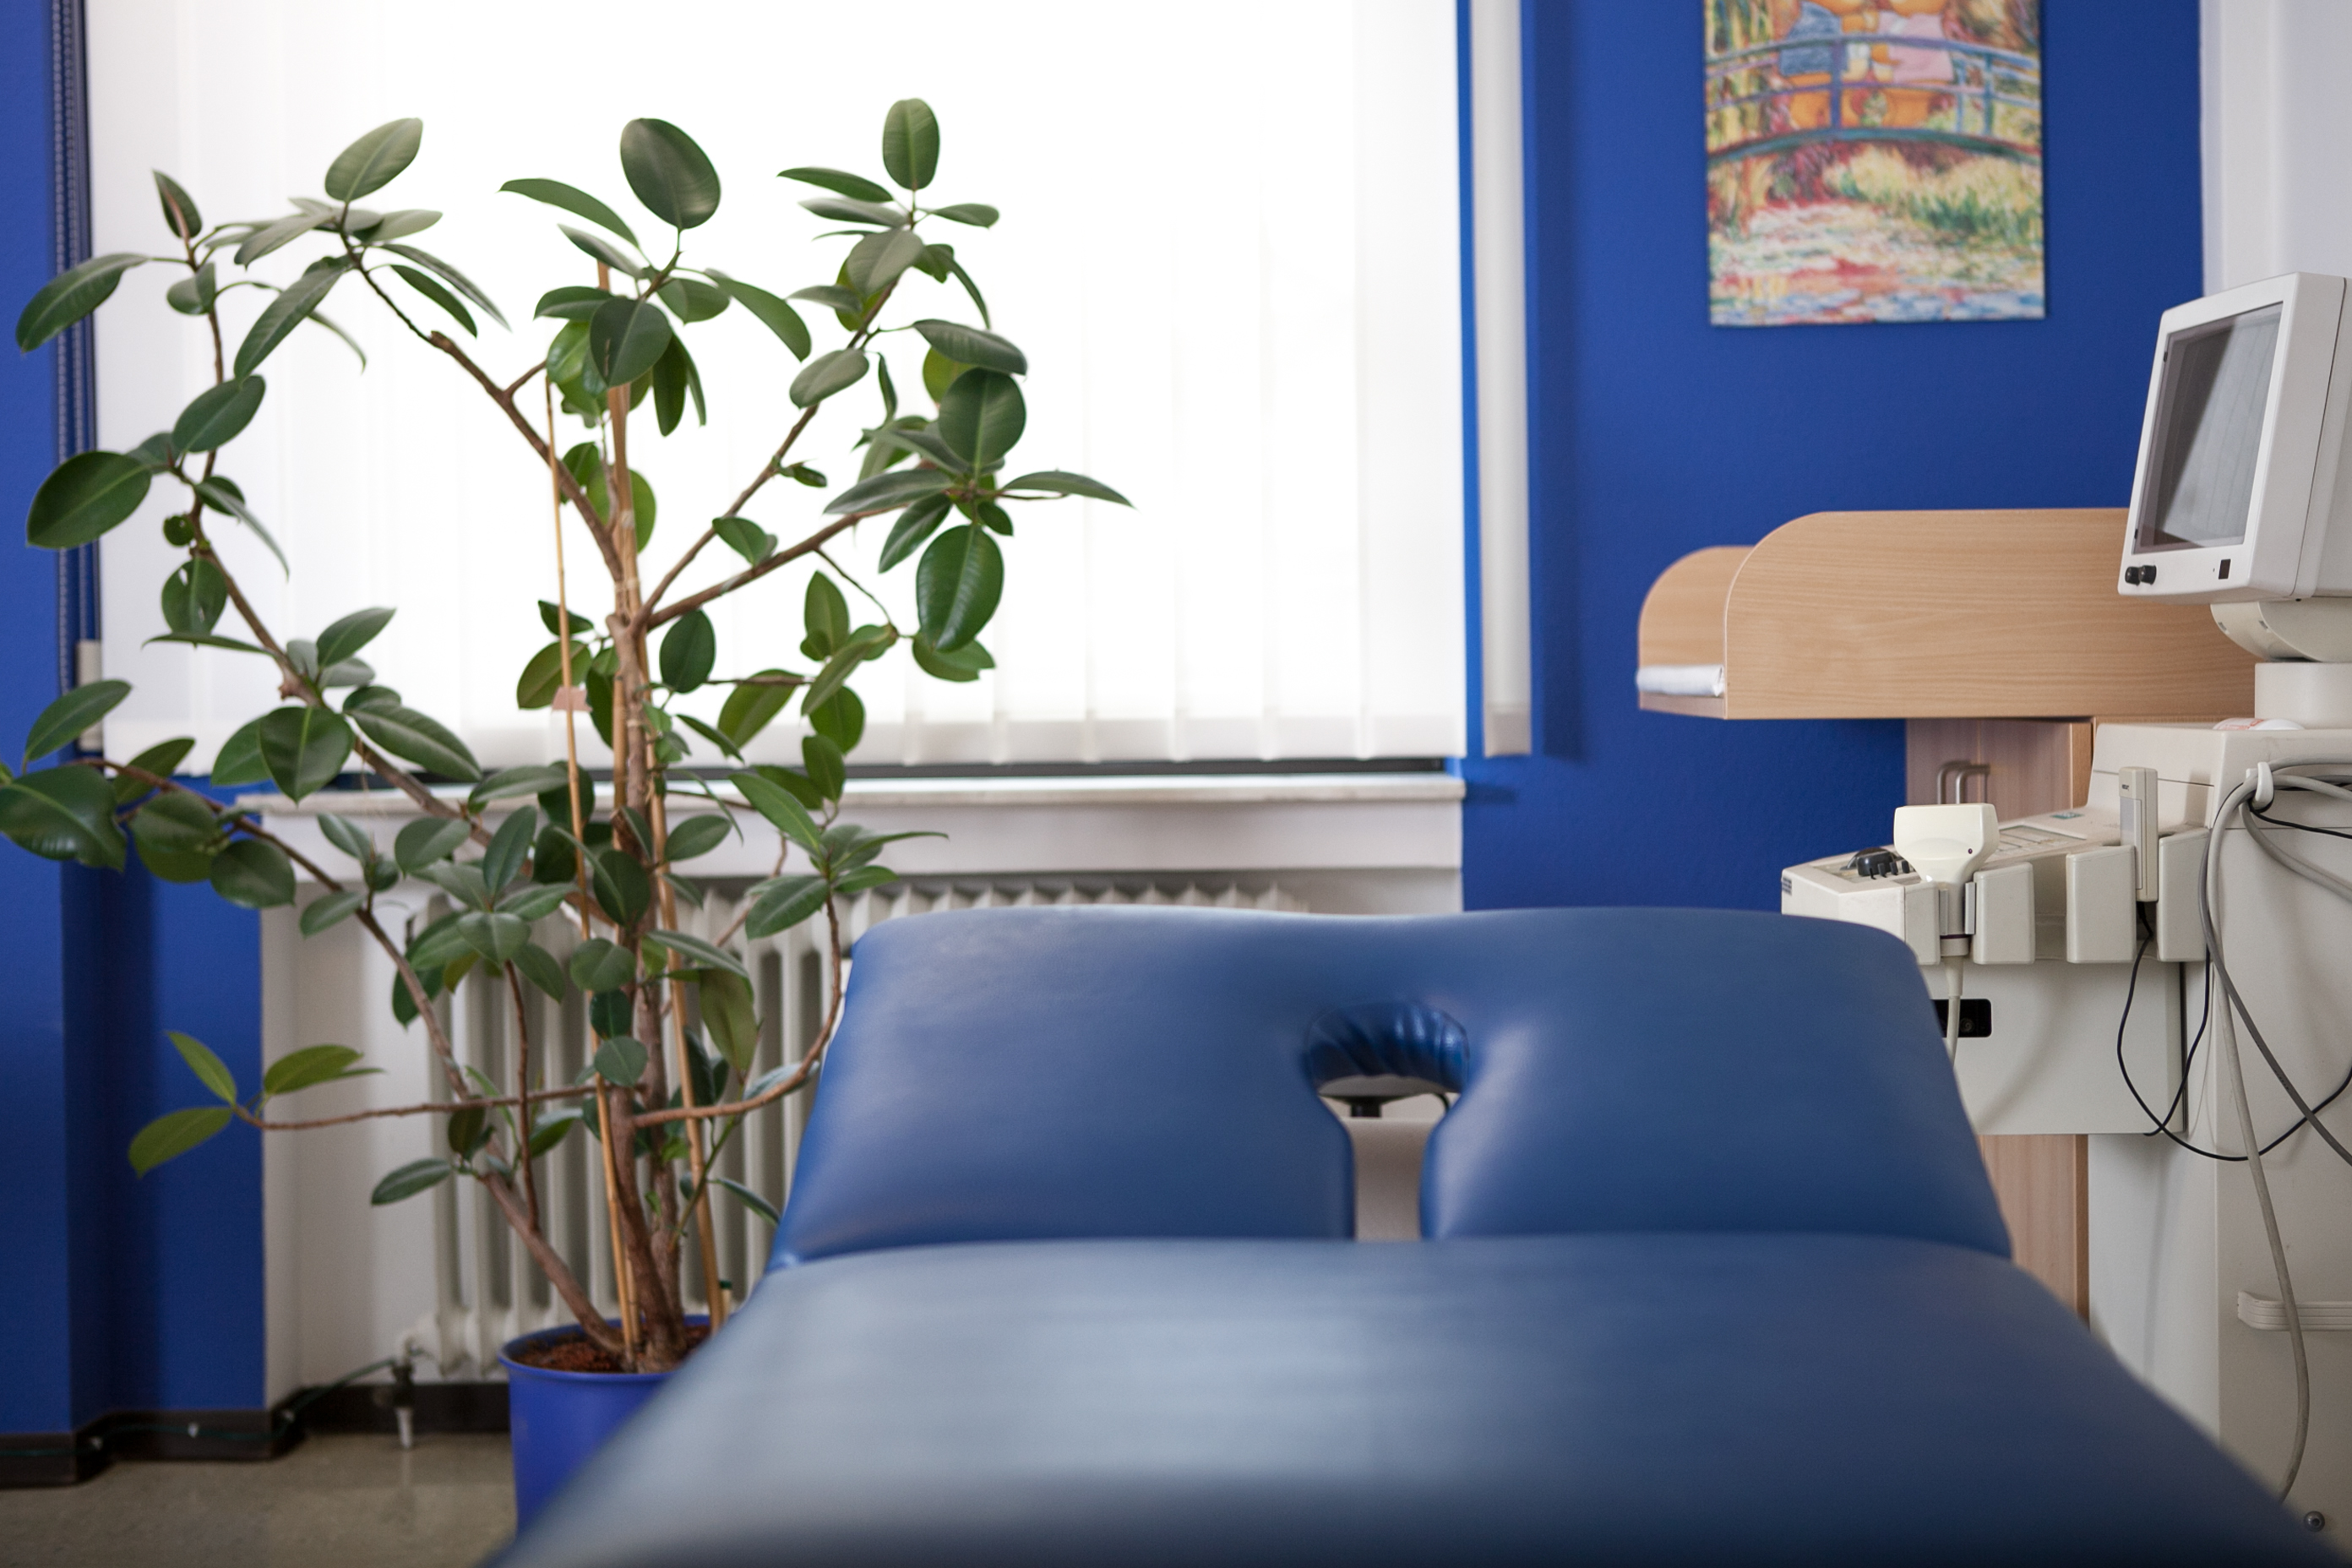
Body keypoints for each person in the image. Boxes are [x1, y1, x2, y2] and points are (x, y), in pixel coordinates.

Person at [1779, 0, 1874, 131]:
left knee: (1828, 103)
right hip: (1812, 67)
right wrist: (1860, 21)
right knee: (1808, 104)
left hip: (1826, 70)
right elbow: (1843, 24)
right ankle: (1804, 127)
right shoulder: (1817, 17)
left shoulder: (1828, 17)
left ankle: (1828, 128)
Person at [1876, 0, 1955, 129]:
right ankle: (1894, 121)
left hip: (1924, 75)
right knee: (1896, 104)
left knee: (1910, 109)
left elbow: (1916, 54)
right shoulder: (1900, 19)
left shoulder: (1928, 25)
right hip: (1901, 75)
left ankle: (1908, 127)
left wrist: (1890, 54)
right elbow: (1880, 23)